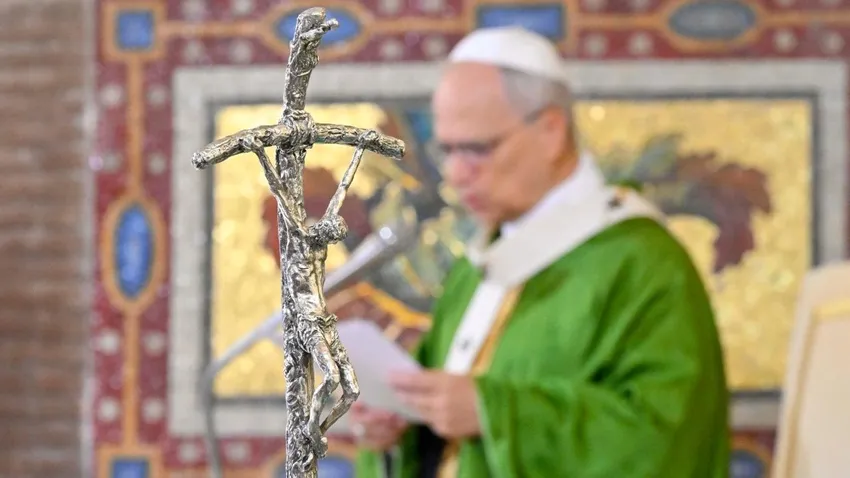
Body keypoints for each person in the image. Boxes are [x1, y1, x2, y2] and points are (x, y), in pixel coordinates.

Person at [350, 26, 730, 478]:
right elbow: (442, 429)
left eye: (476, 149)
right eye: (446, 150)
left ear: (551, 130)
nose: (455, 174)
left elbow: (666, 439)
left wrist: (493, 412)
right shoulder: (477, 267)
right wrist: (397, 429)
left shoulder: (643, 263)